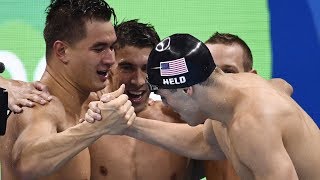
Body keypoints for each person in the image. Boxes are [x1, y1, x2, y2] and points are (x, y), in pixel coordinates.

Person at [86, 34, 320, 180]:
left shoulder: (251, 123)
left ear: (187, 89)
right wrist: (126, 125)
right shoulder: (231, 101)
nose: (167, 106)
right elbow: (203, 142)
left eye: (165, 97)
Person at [0, 0, 135, 179]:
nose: (111, 59)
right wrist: (96, 128)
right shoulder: (40, 106)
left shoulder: (91, 103)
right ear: (62, 51)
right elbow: (26, 164)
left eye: (112, 47)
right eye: (99, 48)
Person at [83, 19, 190, 180]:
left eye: (146, 69)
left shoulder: (181, 119)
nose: (138, 81)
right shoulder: (84, 117)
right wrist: (30, 89)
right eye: (127, 67)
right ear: (109, 65)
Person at [203, 32, 293, 180]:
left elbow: (279, 86)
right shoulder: (202, 121)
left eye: (228, 71)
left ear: (251, 76)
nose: (217, 81)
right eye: (210, 72)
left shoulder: (257, 121)